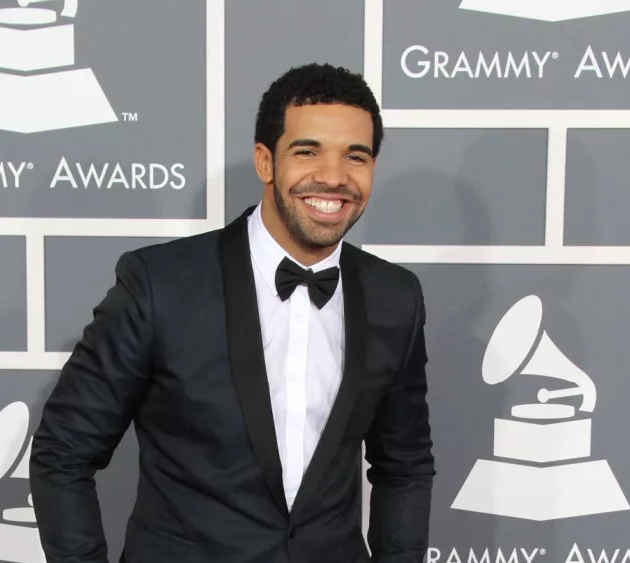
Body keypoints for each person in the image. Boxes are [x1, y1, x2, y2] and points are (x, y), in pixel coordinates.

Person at [29, 62, 435, 563]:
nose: (333, 177)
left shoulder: (395, 296)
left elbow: (406, 466)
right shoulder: (160, 285)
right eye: (307, 151)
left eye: (356, 156)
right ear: (265, 162)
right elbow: (62, 454)